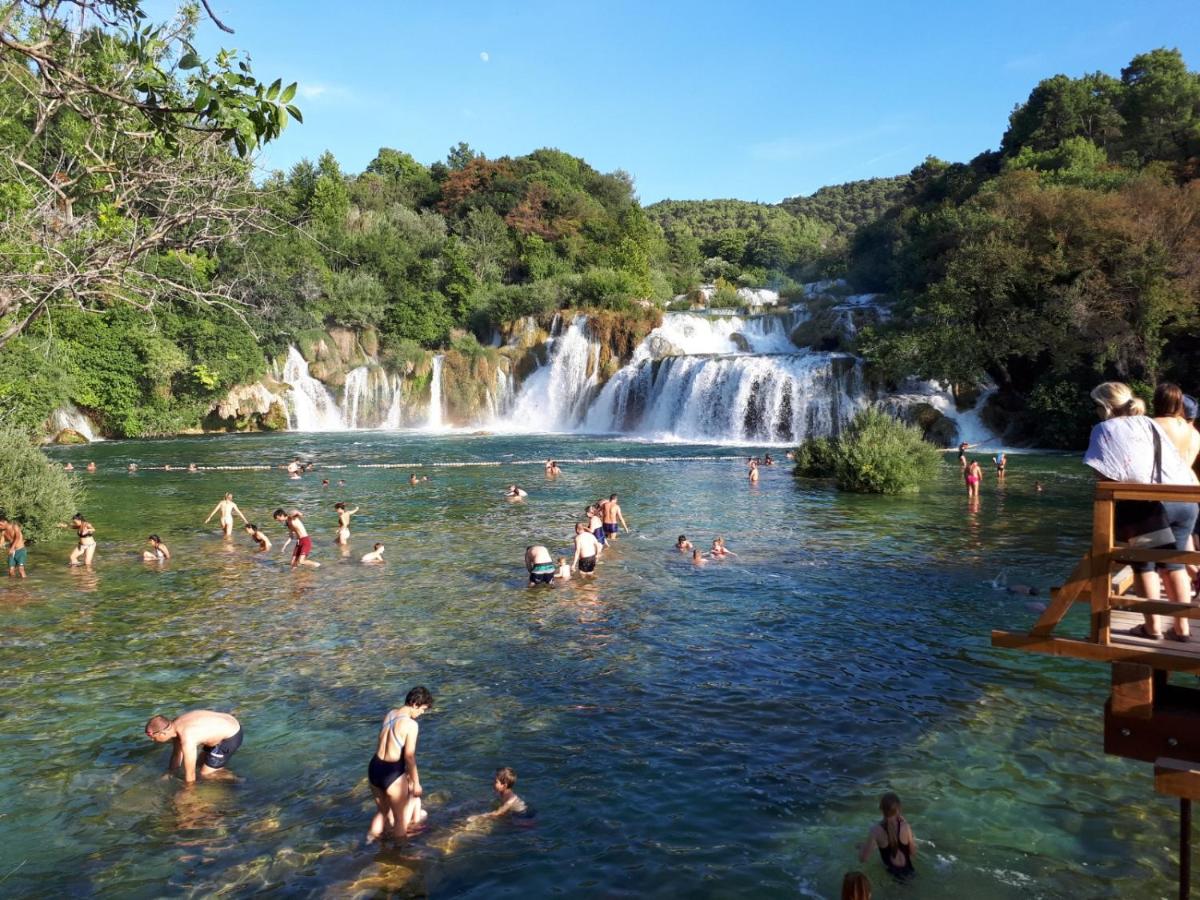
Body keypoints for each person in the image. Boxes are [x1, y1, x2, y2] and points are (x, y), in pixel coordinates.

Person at [1085, 381, 1198, 641]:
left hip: (1150, 505)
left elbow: (1103, 473)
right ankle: (1182, 630)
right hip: (1186, 499)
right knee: (1175, 566)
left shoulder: (1104, 428)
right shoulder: (1148, 422)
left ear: (1104, 406)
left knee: (1144, 566)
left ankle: (1153, 628)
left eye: (1095, 405)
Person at [366, 686, 433, 842]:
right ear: (415, 704)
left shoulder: (390, 714)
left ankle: (370, 844)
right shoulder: (411, 725)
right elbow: (409, 757)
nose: (422, 713)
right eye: (422, 709)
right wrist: (416, 783)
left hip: (374, 767)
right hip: (392, 771)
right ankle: (399, 855)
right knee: (400, 819)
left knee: (382, 813)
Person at [144, 710, 242, 783]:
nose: (152, 740)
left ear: (162, 733)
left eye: (153, 737)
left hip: (231, 735)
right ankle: (218, 768)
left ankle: (237, 779)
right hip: (224, 724)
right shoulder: (174, 726)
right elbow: (176, 754)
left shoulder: (187, 739)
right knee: (199, 765)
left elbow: (190, 775)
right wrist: (171, 773)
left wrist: (188, 792)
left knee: (206, 774)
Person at [858, 791, 915, 878]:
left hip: (893, 878)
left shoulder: (875, 830)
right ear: (898, 809)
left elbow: (863, 859)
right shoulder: (905, 826)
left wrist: (862, 848)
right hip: (911, 873)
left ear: (881, 809)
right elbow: (913, 852)